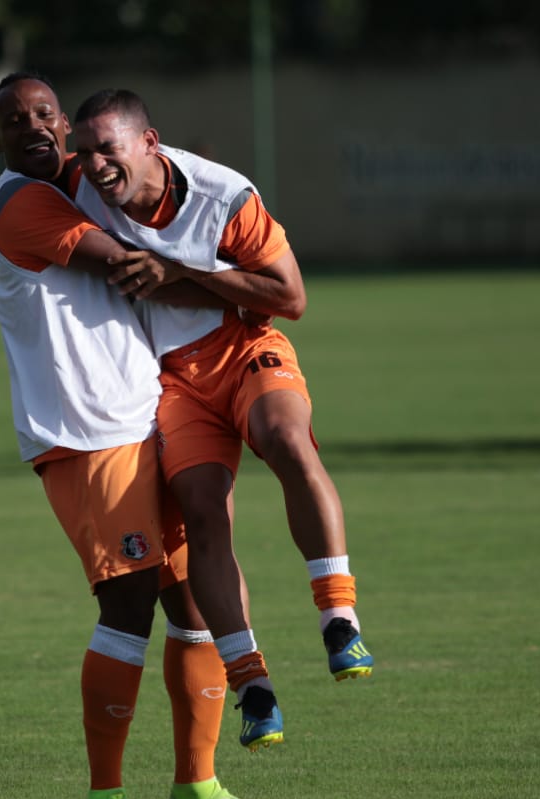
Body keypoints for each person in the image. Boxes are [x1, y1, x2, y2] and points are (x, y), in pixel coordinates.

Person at [0, 71, 260, 799]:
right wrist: (252, 289)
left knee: (191, 595)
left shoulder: (84, 177)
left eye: (44, 113)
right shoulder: (21, 203)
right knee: (129, 597)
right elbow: (130, 265)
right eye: (15, 120)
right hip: (84, 434)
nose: (34, 126)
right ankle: (104, 795)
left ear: (65, 125)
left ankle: (196, 782)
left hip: (144, 417)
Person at [68, 89, 374, 752]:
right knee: (204, 510)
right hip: (171, 377)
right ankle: (252, 684)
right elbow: (26, 180)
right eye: (83, 152)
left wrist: (181, 271)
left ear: (149, 142)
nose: (94, 166)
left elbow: (289, 295)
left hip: (245, 344)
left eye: (107, 149)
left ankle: (339, 617)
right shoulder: (81, 187)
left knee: (288, 441)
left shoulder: (222, 196)